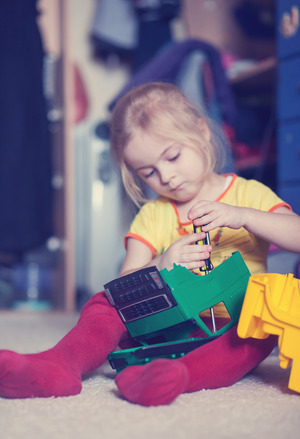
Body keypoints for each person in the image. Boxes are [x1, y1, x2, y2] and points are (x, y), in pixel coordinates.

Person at [1, 82, 300, 406]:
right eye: (149, 172)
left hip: (229, 322)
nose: (167, 176)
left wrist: (244, 216)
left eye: (172, 157)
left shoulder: (248, 194)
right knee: (104, 302)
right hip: (169, 322)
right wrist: (162, 262)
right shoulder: (153, 215)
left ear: (201, 132)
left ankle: (175, 376)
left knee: (261, 325)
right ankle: (61, 363)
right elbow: (122, 284)